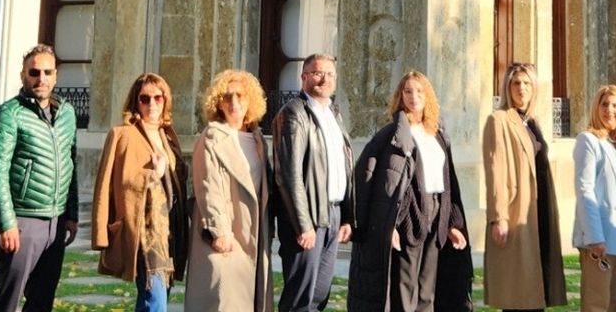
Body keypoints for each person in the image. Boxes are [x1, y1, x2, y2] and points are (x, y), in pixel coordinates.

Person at [348, 71, 471, 312]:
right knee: (405, 291)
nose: (414, 96)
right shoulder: (392, 136)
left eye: (419, 91)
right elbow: (372, 181)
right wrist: (388, 225)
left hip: (436, 217)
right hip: (408, 217)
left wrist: (452, 224)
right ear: (400, 96)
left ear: (428, 96)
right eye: (408, 91)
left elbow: (449, 183)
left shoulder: (437, 134)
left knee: (427, 291)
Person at [0, 44, 79, 312]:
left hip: (56, 221)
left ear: (56, 76)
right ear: (23, 75)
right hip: (23, 221)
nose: (41, 79)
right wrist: (6, 223)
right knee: (8, 300)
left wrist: (71, 213)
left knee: (42, 301)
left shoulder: (67, 114)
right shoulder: (9, 114)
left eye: (47, 72)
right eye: (34, 72)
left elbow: (70, 165)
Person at [91, 72, 190, 312]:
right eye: (145, 98)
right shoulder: (123, 134)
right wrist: (154, 174)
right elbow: (108, 184)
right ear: (135, 101)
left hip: (170, 229)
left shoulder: (168, 136)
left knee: (157, 297)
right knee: (154, 299)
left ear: (165, 100)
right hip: (144, 230)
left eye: (158, 98)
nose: (152, 104)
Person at [271, 53, 354, 312]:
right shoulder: (294, 113)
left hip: (332, 214)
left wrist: (347, 217)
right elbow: (289, 174)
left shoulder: (333, 114)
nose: (324, 79)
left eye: (330, 74)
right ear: (304, 77)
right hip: (308, 218)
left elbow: (344, 168)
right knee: (300, 298)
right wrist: (303, 224)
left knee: (319, 296)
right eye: (318, 73)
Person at [185, 69, 273, 311]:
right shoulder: (211, 138)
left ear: (250, 100)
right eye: (227, 96)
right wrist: (220, 231)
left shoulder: (258, 140)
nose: (234, 102)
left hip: (254, 232)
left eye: (240, 95)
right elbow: (207, 187)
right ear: (218, 102)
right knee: (223, 301)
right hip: (225, 234)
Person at [482, 62, 567, 311]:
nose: (522, 88)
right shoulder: (499, 120)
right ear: (507, 87)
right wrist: (499, 217)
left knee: (536, 289)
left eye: (527, 83)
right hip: (516, 210)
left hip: (538, 210)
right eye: (516, 83)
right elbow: (495, 170)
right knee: (517, 292)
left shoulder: (531, 122)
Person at [572, 84, 616, 312]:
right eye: (604, 104)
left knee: (615, 303)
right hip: (600, 238)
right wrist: (595, 237)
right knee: (597, 304)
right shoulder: (588, 141)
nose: (609, 110)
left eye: (615, 105)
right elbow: (585, 190)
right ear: (596, 108)